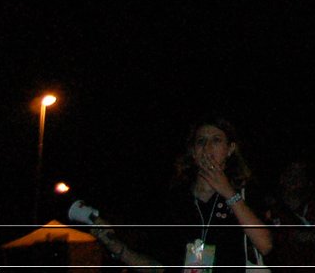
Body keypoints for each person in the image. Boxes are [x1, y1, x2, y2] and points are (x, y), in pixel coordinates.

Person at [85, 115, 274, 271]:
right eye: (201, 141)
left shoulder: (245, 193)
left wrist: (228, 192)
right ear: (192, 151)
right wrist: (117, 247)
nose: (207, 148)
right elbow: (157, 266)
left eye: (216, 140)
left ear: (230, 149)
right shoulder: (174, 200)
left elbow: (265, 245)